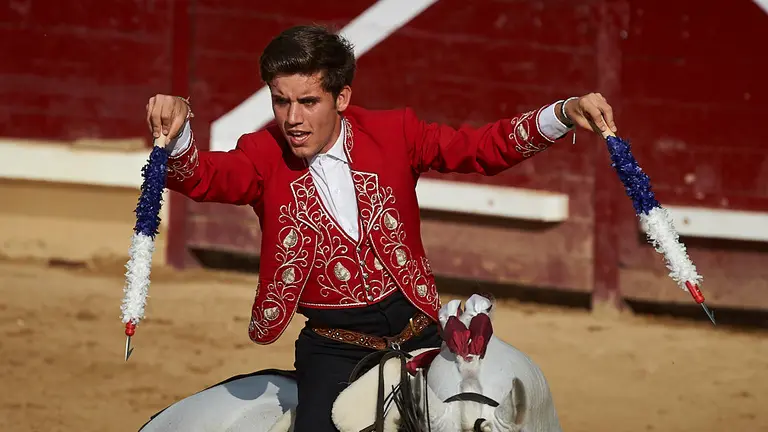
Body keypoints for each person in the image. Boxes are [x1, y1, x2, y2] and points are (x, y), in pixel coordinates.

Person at [145, 24, 617, 432]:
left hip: (424, 334)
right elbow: (204, 178)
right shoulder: (262, 154)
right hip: (334, 349)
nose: (292, 118)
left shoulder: (394, 134)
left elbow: (480, 149)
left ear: (342, 97)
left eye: (308, 102)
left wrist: (559, 116)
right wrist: (179, 133)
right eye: (281, 101)